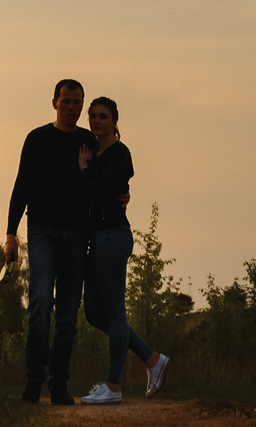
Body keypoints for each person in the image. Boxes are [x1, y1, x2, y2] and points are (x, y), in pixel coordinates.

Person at [73, 96, 169, 405]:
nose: (96, 121)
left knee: (114, 311)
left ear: (115, 121)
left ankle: (114, 387)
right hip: (96, 239)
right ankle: (152, 358)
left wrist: (85, 170)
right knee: (94, 313)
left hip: (113, 237)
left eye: (103, 116)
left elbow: (100, 192)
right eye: (93, 116)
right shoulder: (94, 153)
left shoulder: (119, 153)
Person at [4, 78, 91, 404]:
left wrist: (121, 195)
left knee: (68, 311)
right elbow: (21, 185)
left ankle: (58, 385)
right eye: (66, 101)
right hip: (42, 231)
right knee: (41, 300)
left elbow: (101, 184)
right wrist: (11, 234)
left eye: (77, 102)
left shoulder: (88, 142)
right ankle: (34, 381)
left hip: (77, 235)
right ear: (55, 102)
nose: (71, 107)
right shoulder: (37, 139)